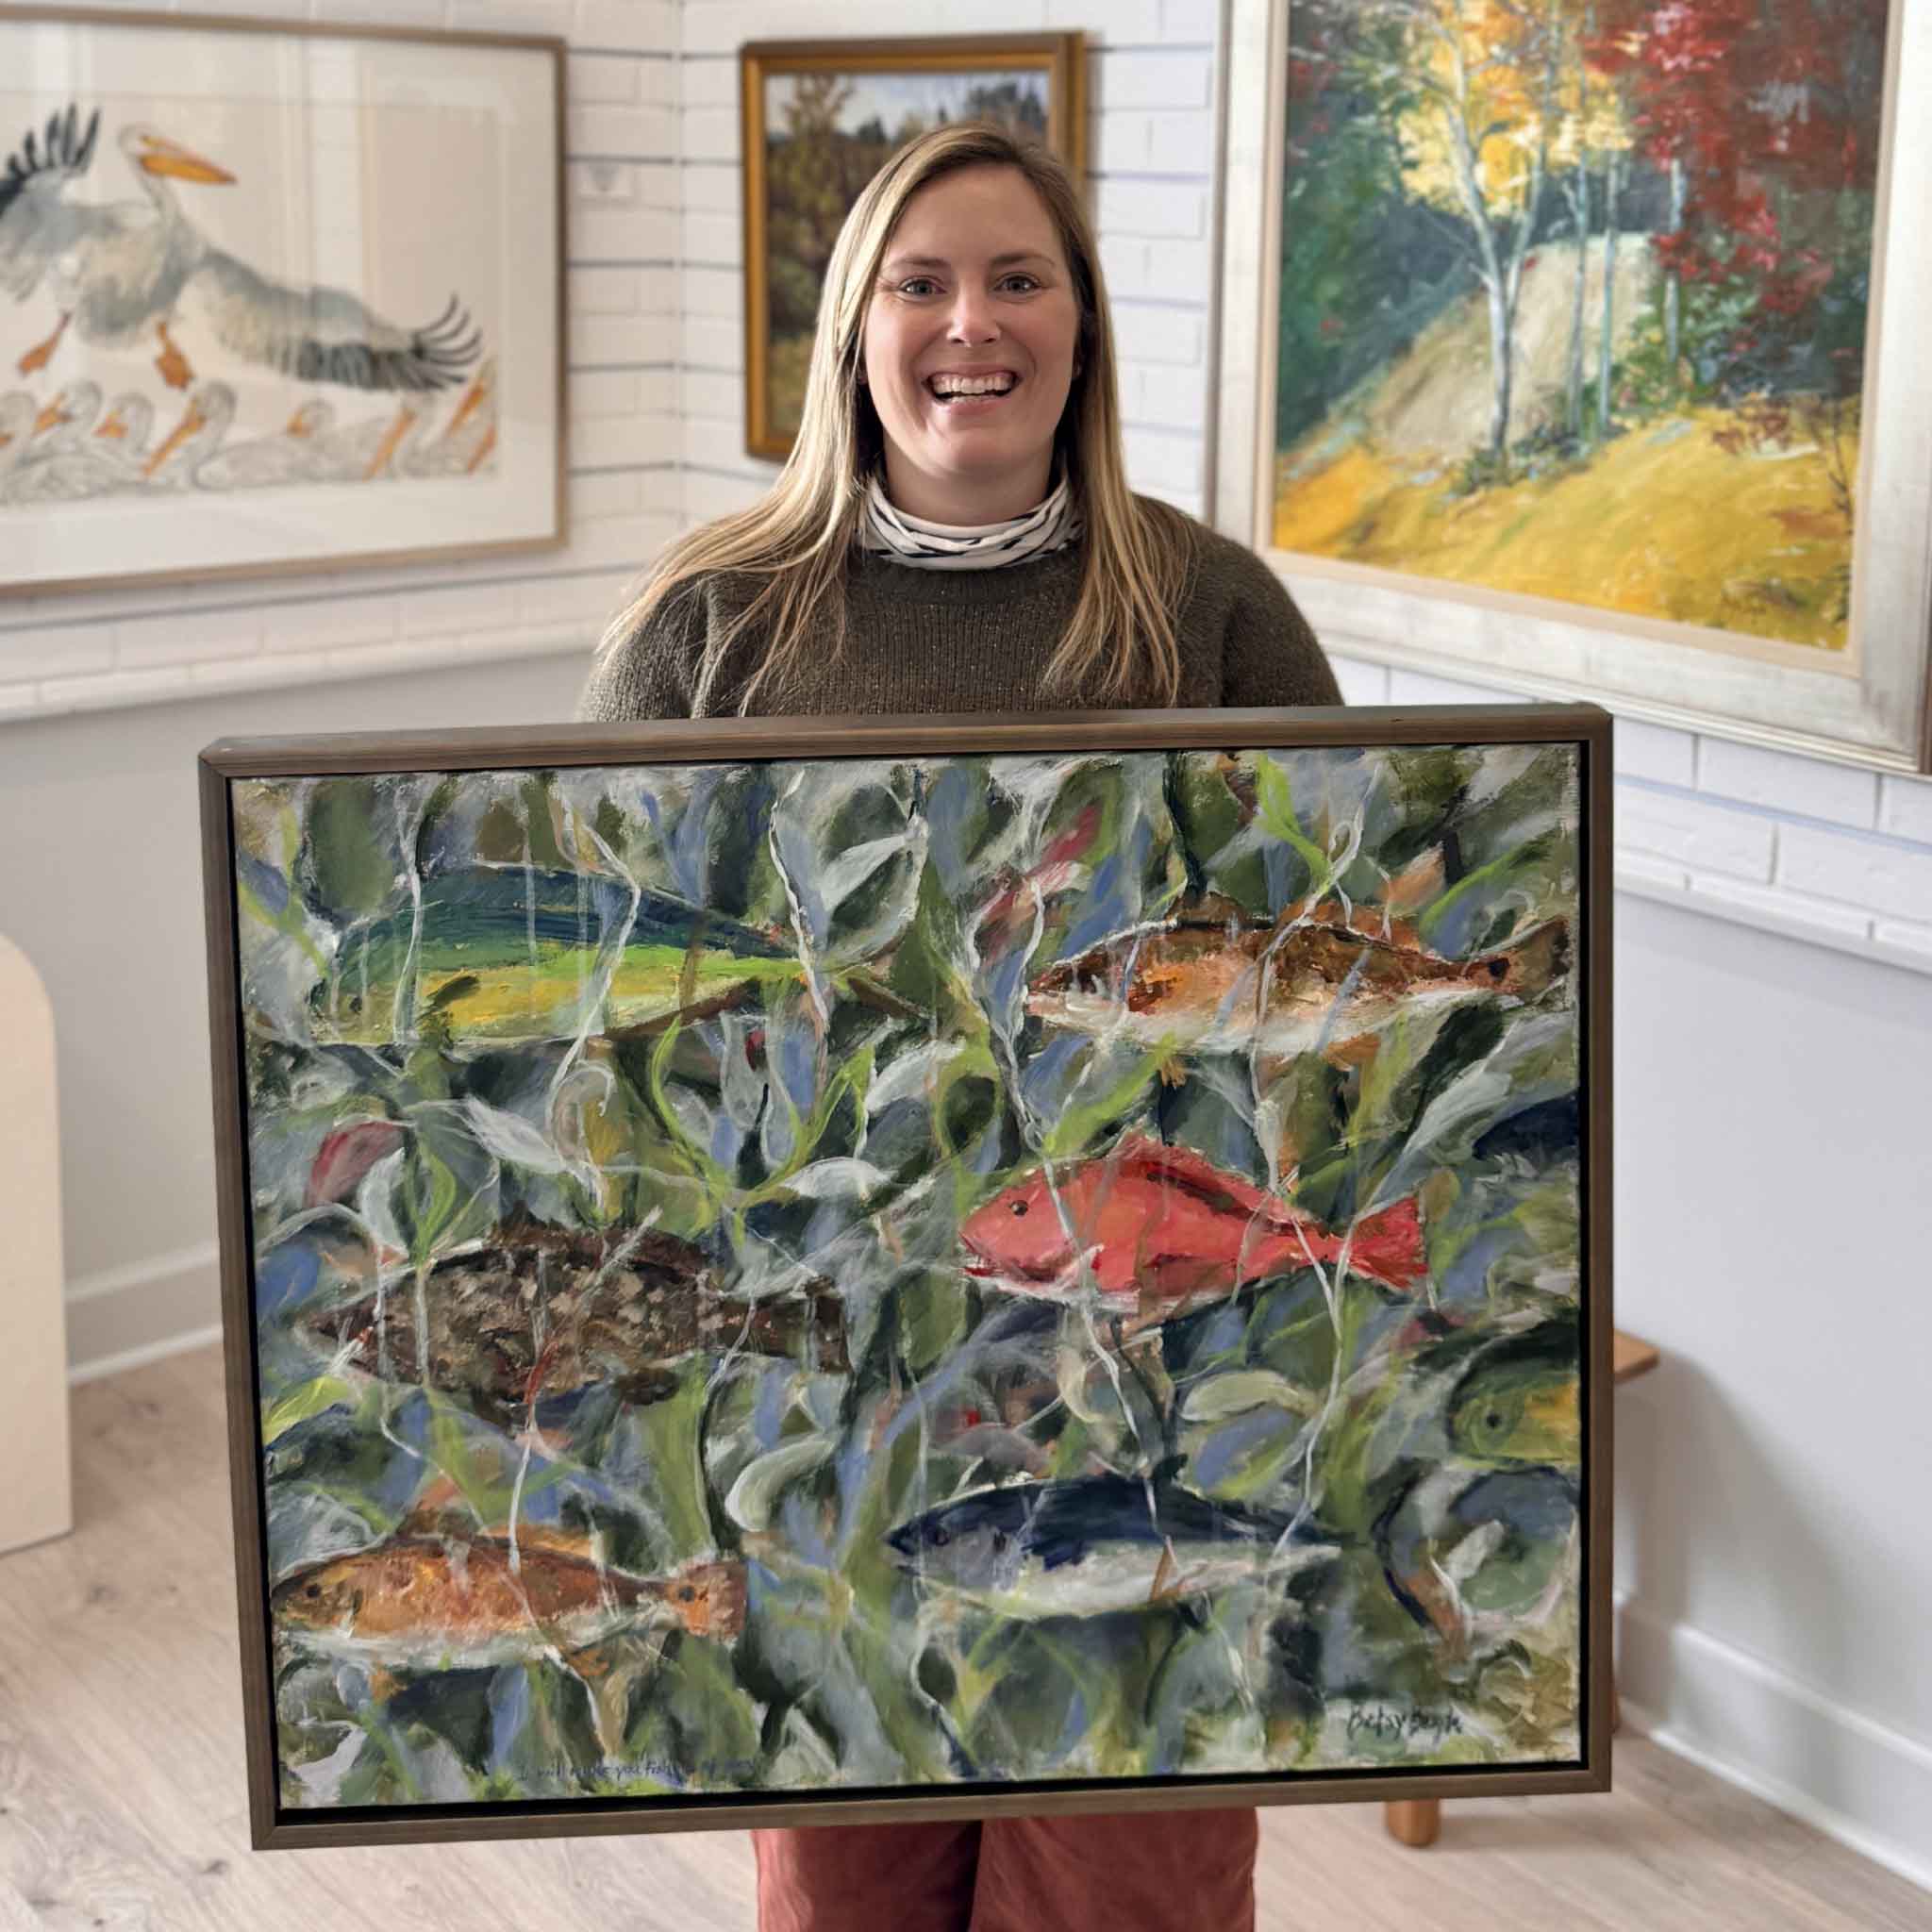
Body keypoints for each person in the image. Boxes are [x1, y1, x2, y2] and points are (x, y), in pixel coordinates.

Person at [581, 121, 1339, 1932]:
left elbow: (1321, 975)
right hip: (824, 1385)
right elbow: (604, 1030)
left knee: (1130, 1891)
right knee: (847, 1890)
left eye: (1017, 278)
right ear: (853, 326)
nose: (967, 325)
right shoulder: (710, 623)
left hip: (1142, 1382)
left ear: (1080, 328)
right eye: (917, 282)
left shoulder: (1212, 609)